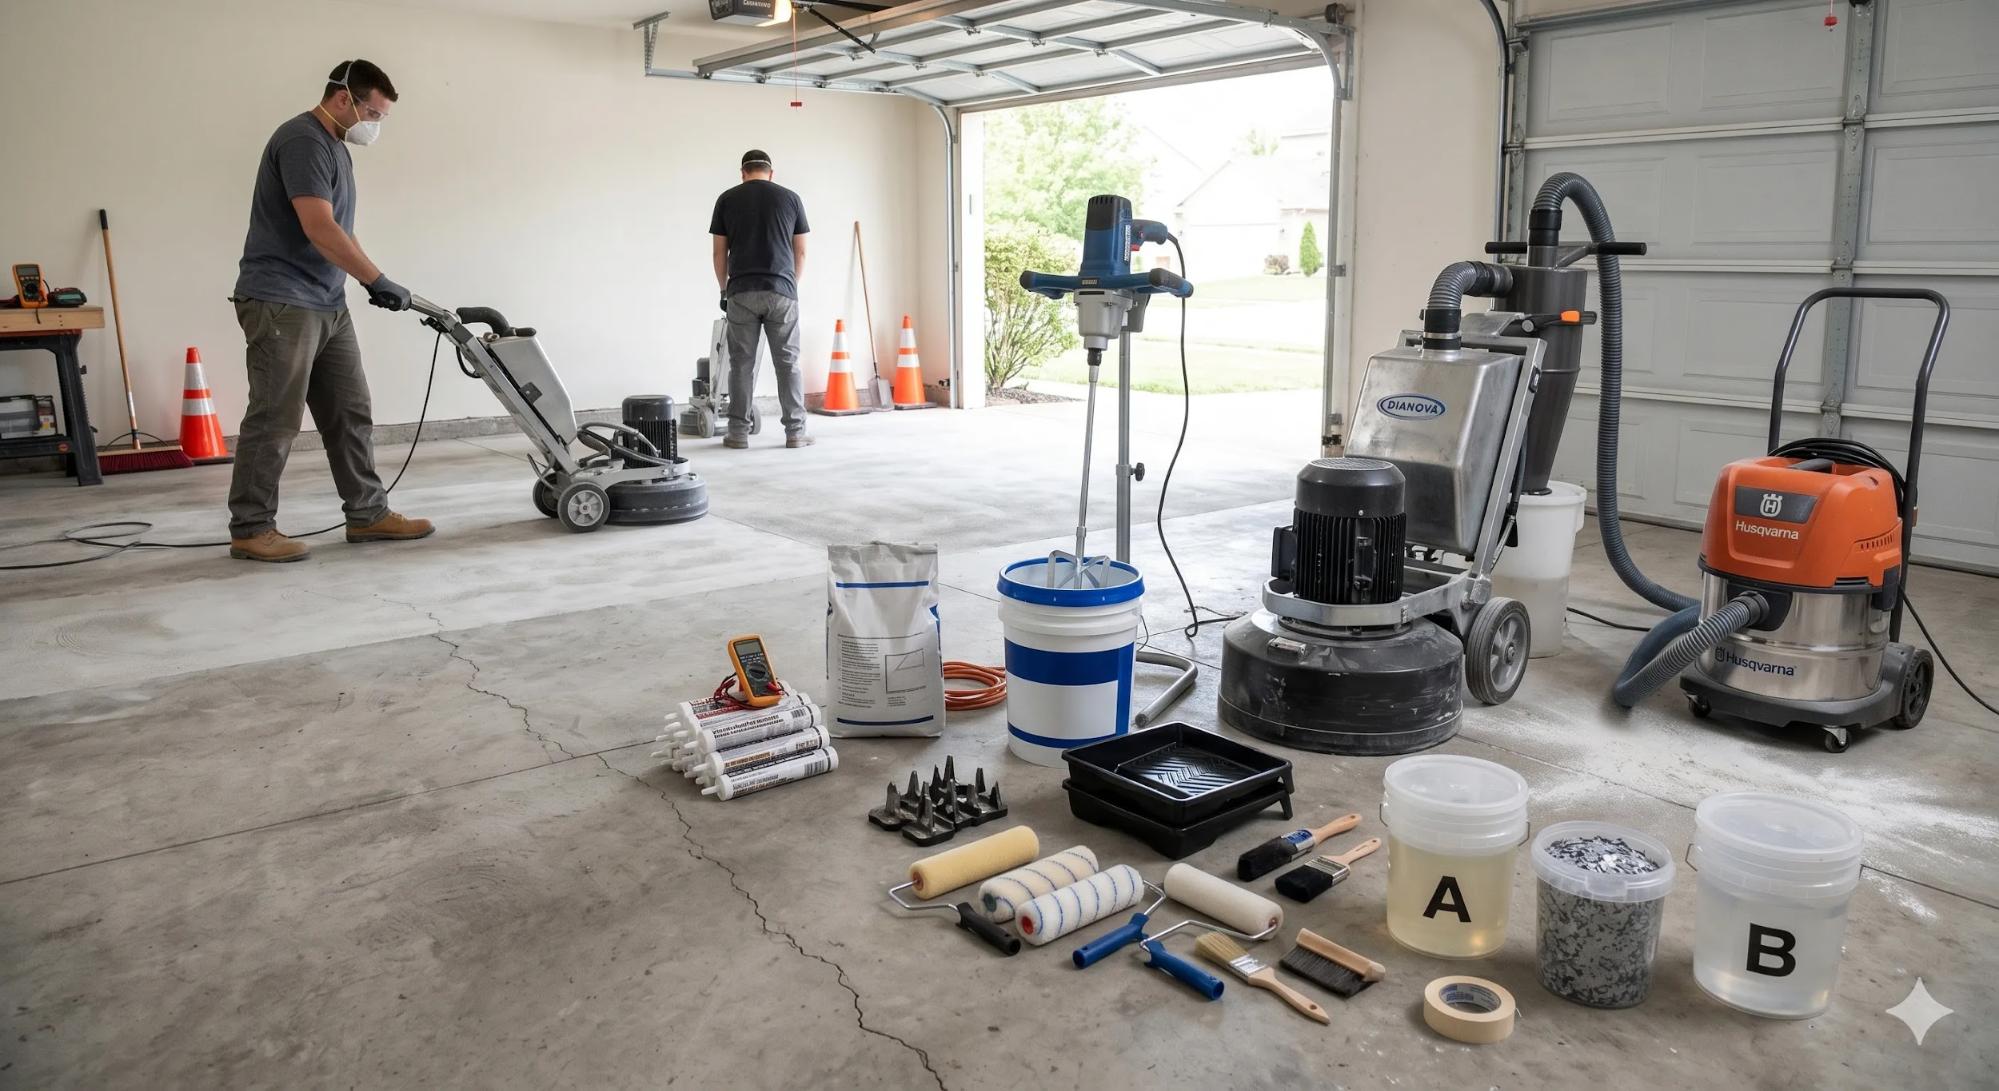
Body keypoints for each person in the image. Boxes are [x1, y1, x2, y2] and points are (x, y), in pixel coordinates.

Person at [226, 59, 433, 563]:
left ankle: (367, 514)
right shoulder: (302, 141)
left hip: (326, 301)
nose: (374, 124)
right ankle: (251, 528)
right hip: (282, 300)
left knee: (349, 409)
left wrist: (367, 276)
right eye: (373, 113)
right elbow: (318, 227)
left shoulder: (336, 148)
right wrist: (375, 279)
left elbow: (338, 228)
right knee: (276, 417)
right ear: (344, 98)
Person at [710, 149, 812, 449]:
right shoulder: (790, 198)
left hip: (741, 291)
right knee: (789, 363)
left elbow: (719, 253)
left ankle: (738, 433)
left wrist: (723, 289)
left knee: (741, 364)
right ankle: (795, 432)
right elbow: (801, 251)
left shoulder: (727, 199)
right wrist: (792, 285)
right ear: (771, 172)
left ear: (743, 172)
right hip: (781, 291)